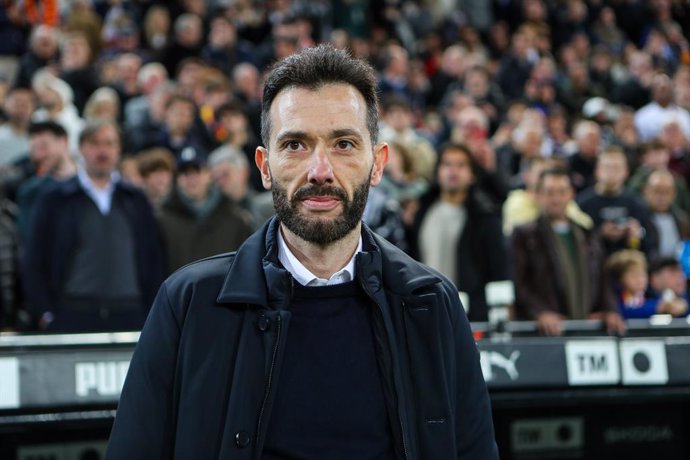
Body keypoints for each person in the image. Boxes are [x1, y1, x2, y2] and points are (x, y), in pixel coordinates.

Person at [107, 45, 497, 459]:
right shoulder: (187, 304)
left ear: (378, 164)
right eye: (295, 145)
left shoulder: (433, 304)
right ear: (264, 166)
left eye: (344, 144)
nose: (320, 171)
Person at [22, 120, 164, 332]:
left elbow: (154, 259)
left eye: (109, 143)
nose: (102, 151)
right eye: (95, 143)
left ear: (119, 149)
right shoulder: (55, 199)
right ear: (81, 148)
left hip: (130, 313)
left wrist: (151, 311)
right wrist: (45, 312)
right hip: (73, 313)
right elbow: (35, 258)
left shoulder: (135, 199)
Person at [511, 166, 625, 336]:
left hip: (586, 329)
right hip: (546, 333)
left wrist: (610, 311)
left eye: (562, 192)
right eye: (549, 192)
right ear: (538, 195)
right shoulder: (524, 235)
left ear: (571, 194)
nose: (556, 199)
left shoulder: (587, 234)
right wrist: (539, 313)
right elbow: (519, 283)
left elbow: (603, 279)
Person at [408, 142, 508, 322]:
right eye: (447, 164)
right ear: (438, 172)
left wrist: (500, 312)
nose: (453, 171)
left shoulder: (485, 216)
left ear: (471, 175)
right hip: (424, 311)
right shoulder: (420, 212)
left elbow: (499, 268)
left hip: (470, 315)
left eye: (461, 165)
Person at [157, 147, 253, 275]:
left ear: (209, 174)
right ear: (178, 178)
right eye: (185, 172)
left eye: (197, 170)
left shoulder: (234, 217)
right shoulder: (162, 220)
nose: (192, 178)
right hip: (181, 294)